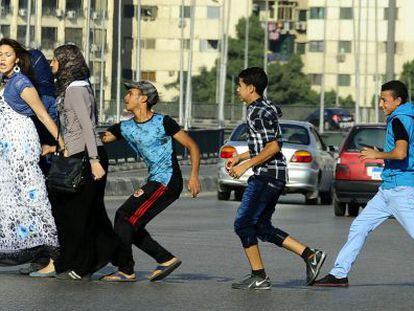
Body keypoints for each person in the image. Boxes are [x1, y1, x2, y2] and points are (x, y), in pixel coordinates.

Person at [227, 67, 326, 290]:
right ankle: (310, 255)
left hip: (267, 175)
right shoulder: (262, 107)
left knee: (243, 225)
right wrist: (239, 156)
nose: (237, 89)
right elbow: (264, 144)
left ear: (250, 88)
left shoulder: (257, 112)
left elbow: (273, 146)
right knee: (261, 227)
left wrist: (245, 166)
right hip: (273, 174)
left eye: (240, 86)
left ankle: (259, 276)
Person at [313, 80, 414, 287]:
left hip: (401, 189)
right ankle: (339, 274)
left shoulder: (399, 120)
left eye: (384, 100)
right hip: (388, 189)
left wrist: (378, 154)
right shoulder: (405, 117)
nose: (380, 104)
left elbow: (401, 152)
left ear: (398, 100)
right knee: (359, 225)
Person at [101, 80, 201, 282]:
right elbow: (104, 138)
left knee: (124, 216)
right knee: (130, 223)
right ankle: (165, 259)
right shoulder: (125, 127)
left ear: (144, 98)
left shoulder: (163, 122)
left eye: (131, 93)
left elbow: (192, 146)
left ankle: (126, 269)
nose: (125, 97)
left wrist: (194, 176)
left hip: (167, 180)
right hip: (155, 180)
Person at [34, 44, 118, 280]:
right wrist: (56, 147)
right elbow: (74, 129)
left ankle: (83, 263)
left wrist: (93, 160)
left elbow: (88, 128)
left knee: (74, 213)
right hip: (75, 154)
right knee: (81, 212)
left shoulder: (76, 90)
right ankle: (92, 259)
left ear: (66, 62)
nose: (52, 64)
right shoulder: (73, 87)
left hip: (85, 157)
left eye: (55, 60)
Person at [0, 38, 63, 267]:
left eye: (7, 54)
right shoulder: (4, 83)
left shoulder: (21, 83)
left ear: (17, 58)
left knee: (33, 198)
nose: (2, 59)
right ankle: (32, 248)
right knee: (11, 202)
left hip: (22, 147)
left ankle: (52, 254)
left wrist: (61, 142)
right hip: (6, 153)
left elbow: (43, 114)